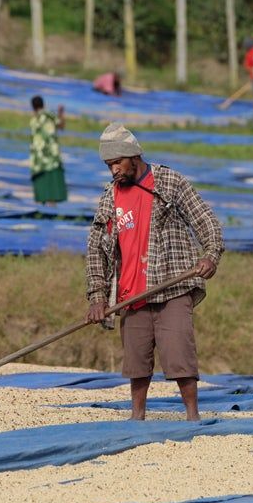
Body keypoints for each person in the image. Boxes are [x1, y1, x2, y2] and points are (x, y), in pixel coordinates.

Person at [85, 123, 224, 422]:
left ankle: (193, 417)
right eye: (108, 166)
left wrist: (210, 255)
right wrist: (97, 297)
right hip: (131, 293)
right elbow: (96, 250)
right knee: (136, 362)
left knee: (180, 356)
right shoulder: (109, 197)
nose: (113, 172)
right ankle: (137, 417)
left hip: (171, 287)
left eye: (117, 163)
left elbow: (206, 221)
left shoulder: (169, 182)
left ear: (134, 157)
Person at [28, 95, 67, 205]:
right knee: (52, 178)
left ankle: (41, 204)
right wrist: (61, 112)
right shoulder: (49, 116)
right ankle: (51, 204)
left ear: (33, 107)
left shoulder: (33, 120)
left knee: (41, 179)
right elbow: (61, 125)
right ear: (43, 104)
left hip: (38, 155)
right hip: (51, 153)